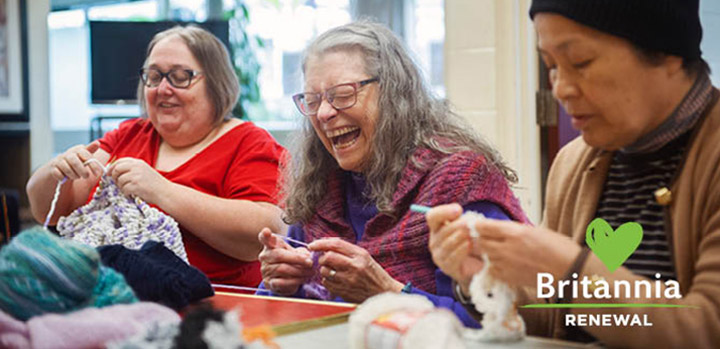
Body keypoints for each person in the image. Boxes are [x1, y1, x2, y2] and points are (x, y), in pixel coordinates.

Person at [426, 0, 720, 347]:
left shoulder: (709, 156)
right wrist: (483, 279)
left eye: (581, 62)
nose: (561, 88)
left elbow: (707, 327)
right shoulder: (574, 164)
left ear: (667, 52)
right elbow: (556, 318)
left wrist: (571, 270)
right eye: (551, 66)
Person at [256, 21, 528, 327]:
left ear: (393, 94)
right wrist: (283, 285)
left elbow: (505, 319)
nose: (323, 114)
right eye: (313, 100)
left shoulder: (459, 179)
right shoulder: (319, 183)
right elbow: (271, 313)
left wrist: (387, 292)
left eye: (342, 94)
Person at [26, 26, 286, 287]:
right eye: (153, 76)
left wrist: (161, 191)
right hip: (111, 299)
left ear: (216, 84)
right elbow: (49, 211)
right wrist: (55, 172)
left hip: (212, 310)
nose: (163, 88)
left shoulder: (249, 142)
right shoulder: (129, 135)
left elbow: (266, 232)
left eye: (180, 76)